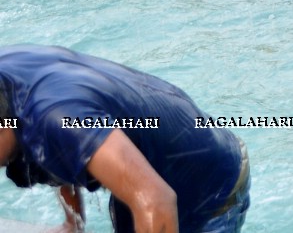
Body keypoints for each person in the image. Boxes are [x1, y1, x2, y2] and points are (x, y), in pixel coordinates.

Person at [0, 44, 250, 233]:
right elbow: (54, 149)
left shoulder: (61, 119)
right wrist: (72, 224)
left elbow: (156, 201)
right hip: (159, 159)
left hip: (209, 184)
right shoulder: (9, 82)